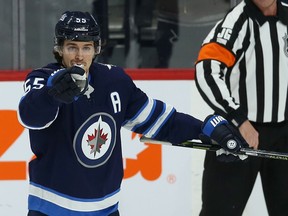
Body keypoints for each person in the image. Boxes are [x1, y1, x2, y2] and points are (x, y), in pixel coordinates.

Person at [18, 11, 246, 216]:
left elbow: (159, 121)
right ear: (59, 48)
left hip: (105, 210)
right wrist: (52, 95)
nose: (79, 56)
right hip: (50, 209)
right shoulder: (44, 79)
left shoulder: (114, 81)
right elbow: (30, 116)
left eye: (86, 47)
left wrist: (205, 128)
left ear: (96, 48)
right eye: (72, 47)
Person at [195, 0, 288, 215]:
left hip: (284, 134)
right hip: (238, 134)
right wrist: (238, 118)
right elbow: (207, 71)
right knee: (220, 211)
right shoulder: (237, 22)